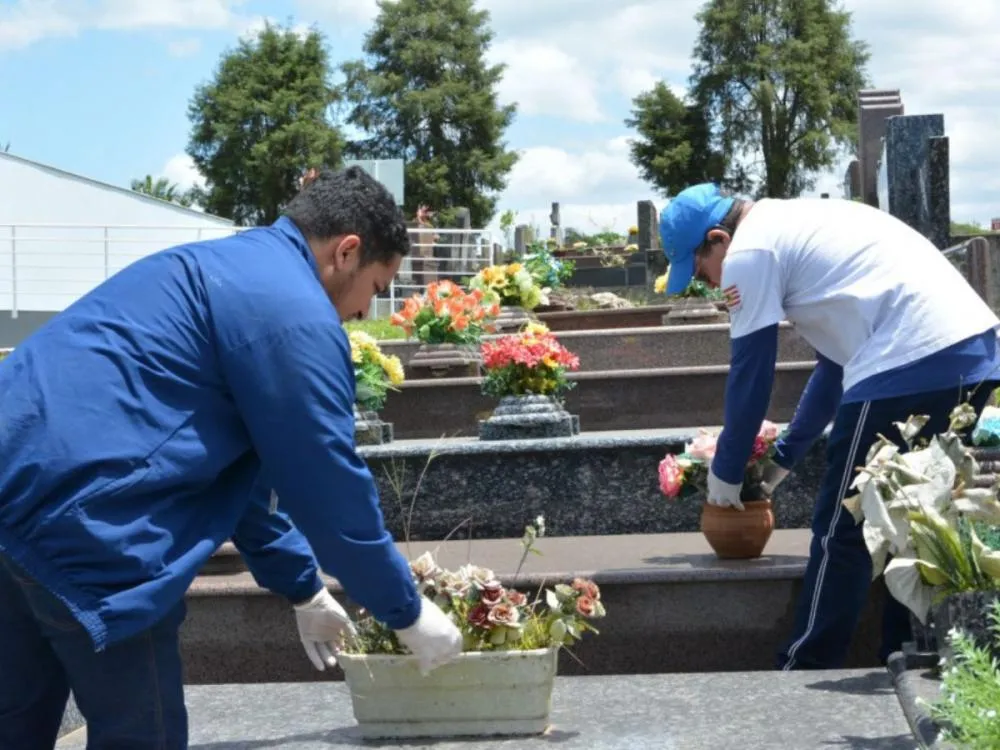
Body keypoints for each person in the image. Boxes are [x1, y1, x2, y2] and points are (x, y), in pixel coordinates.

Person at [0, 166, 464, 749]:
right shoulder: (294, 315)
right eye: (376, 287)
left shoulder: (218, 267)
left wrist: (303, 588)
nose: (365, 313)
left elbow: (237, 477)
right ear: (346, 252)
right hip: (93, 527)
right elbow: (325, 482)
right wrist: (405, 610)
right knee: (142, 733)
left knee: (14, 719)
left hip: (18, 493)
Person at [658, 183, 1000, 670]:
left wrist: (727, 470)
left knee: (844, 523)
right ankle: (905, 653)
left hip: (907, 359)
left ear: (718, 238)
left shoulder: (748, 252)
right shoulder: (794, 225)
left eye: (700, 270)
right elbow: (834, 369)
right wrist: (783, 458)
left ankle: (806, 663)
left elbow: (752, 374)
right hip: (973, 352)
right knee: (918, 519)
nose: (710, 284)